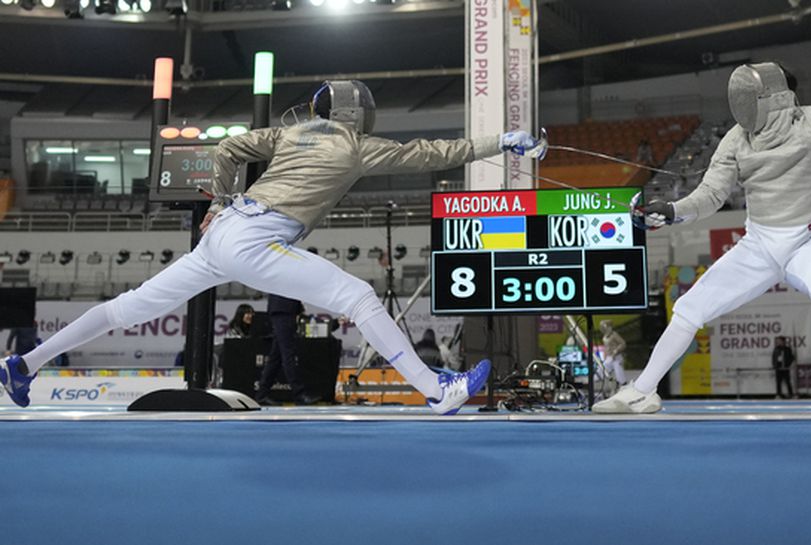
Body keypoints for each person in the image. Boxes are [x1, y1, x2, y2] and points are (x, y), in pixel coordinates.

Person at [1, 79, 546, 413]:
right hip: (257, 237)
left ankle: (26, 363)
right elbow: (433, 152)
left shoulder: (292, 133)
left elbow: (231, 146)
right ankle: (436, 391)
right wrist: (501, 140)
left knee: (128, 307)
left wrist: (218, 201)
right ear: (358, 115)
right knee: (358, 296)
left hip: (224, 231)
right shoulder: (357, 147)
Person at [594, 38, 811, 414]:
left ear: (776, 97)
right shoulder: (737, 138)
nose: (742, 106)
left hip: (805, 242)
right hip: (760, 244)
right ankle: (643, 391)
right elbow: (712, 194)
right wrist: (671, 210)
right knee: (688, 308)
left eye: (750, 97)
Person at [254, 295, 319, 406]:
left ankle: (262, 394)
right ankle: (299, 393)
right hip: (283, 308)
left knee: (276, 357)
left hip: (284, 308)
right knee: (288, 353)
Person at [599, 320, 628, 385]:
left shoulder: (614, 335)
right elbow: (606, 348)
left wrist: (616, 350)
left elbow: (623, 343)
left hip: (616, 357)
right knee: (603, 369)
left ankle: (623, 384)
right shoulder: (604, 337)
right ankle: (598, 378)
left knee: (619, 371)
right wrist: (604, 357)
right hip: (609, 357)